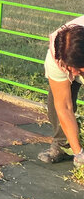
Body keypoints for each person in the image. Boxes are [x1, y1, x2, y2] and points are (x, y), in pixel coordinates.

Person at [39, 16, 84, 164]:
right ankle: (63, 145)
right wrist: (79, 154)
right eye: (70, 68)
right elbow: (64, 107)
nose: (75, 74)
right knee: (55, 106)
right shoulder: (57, 56)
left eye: (78, 70)